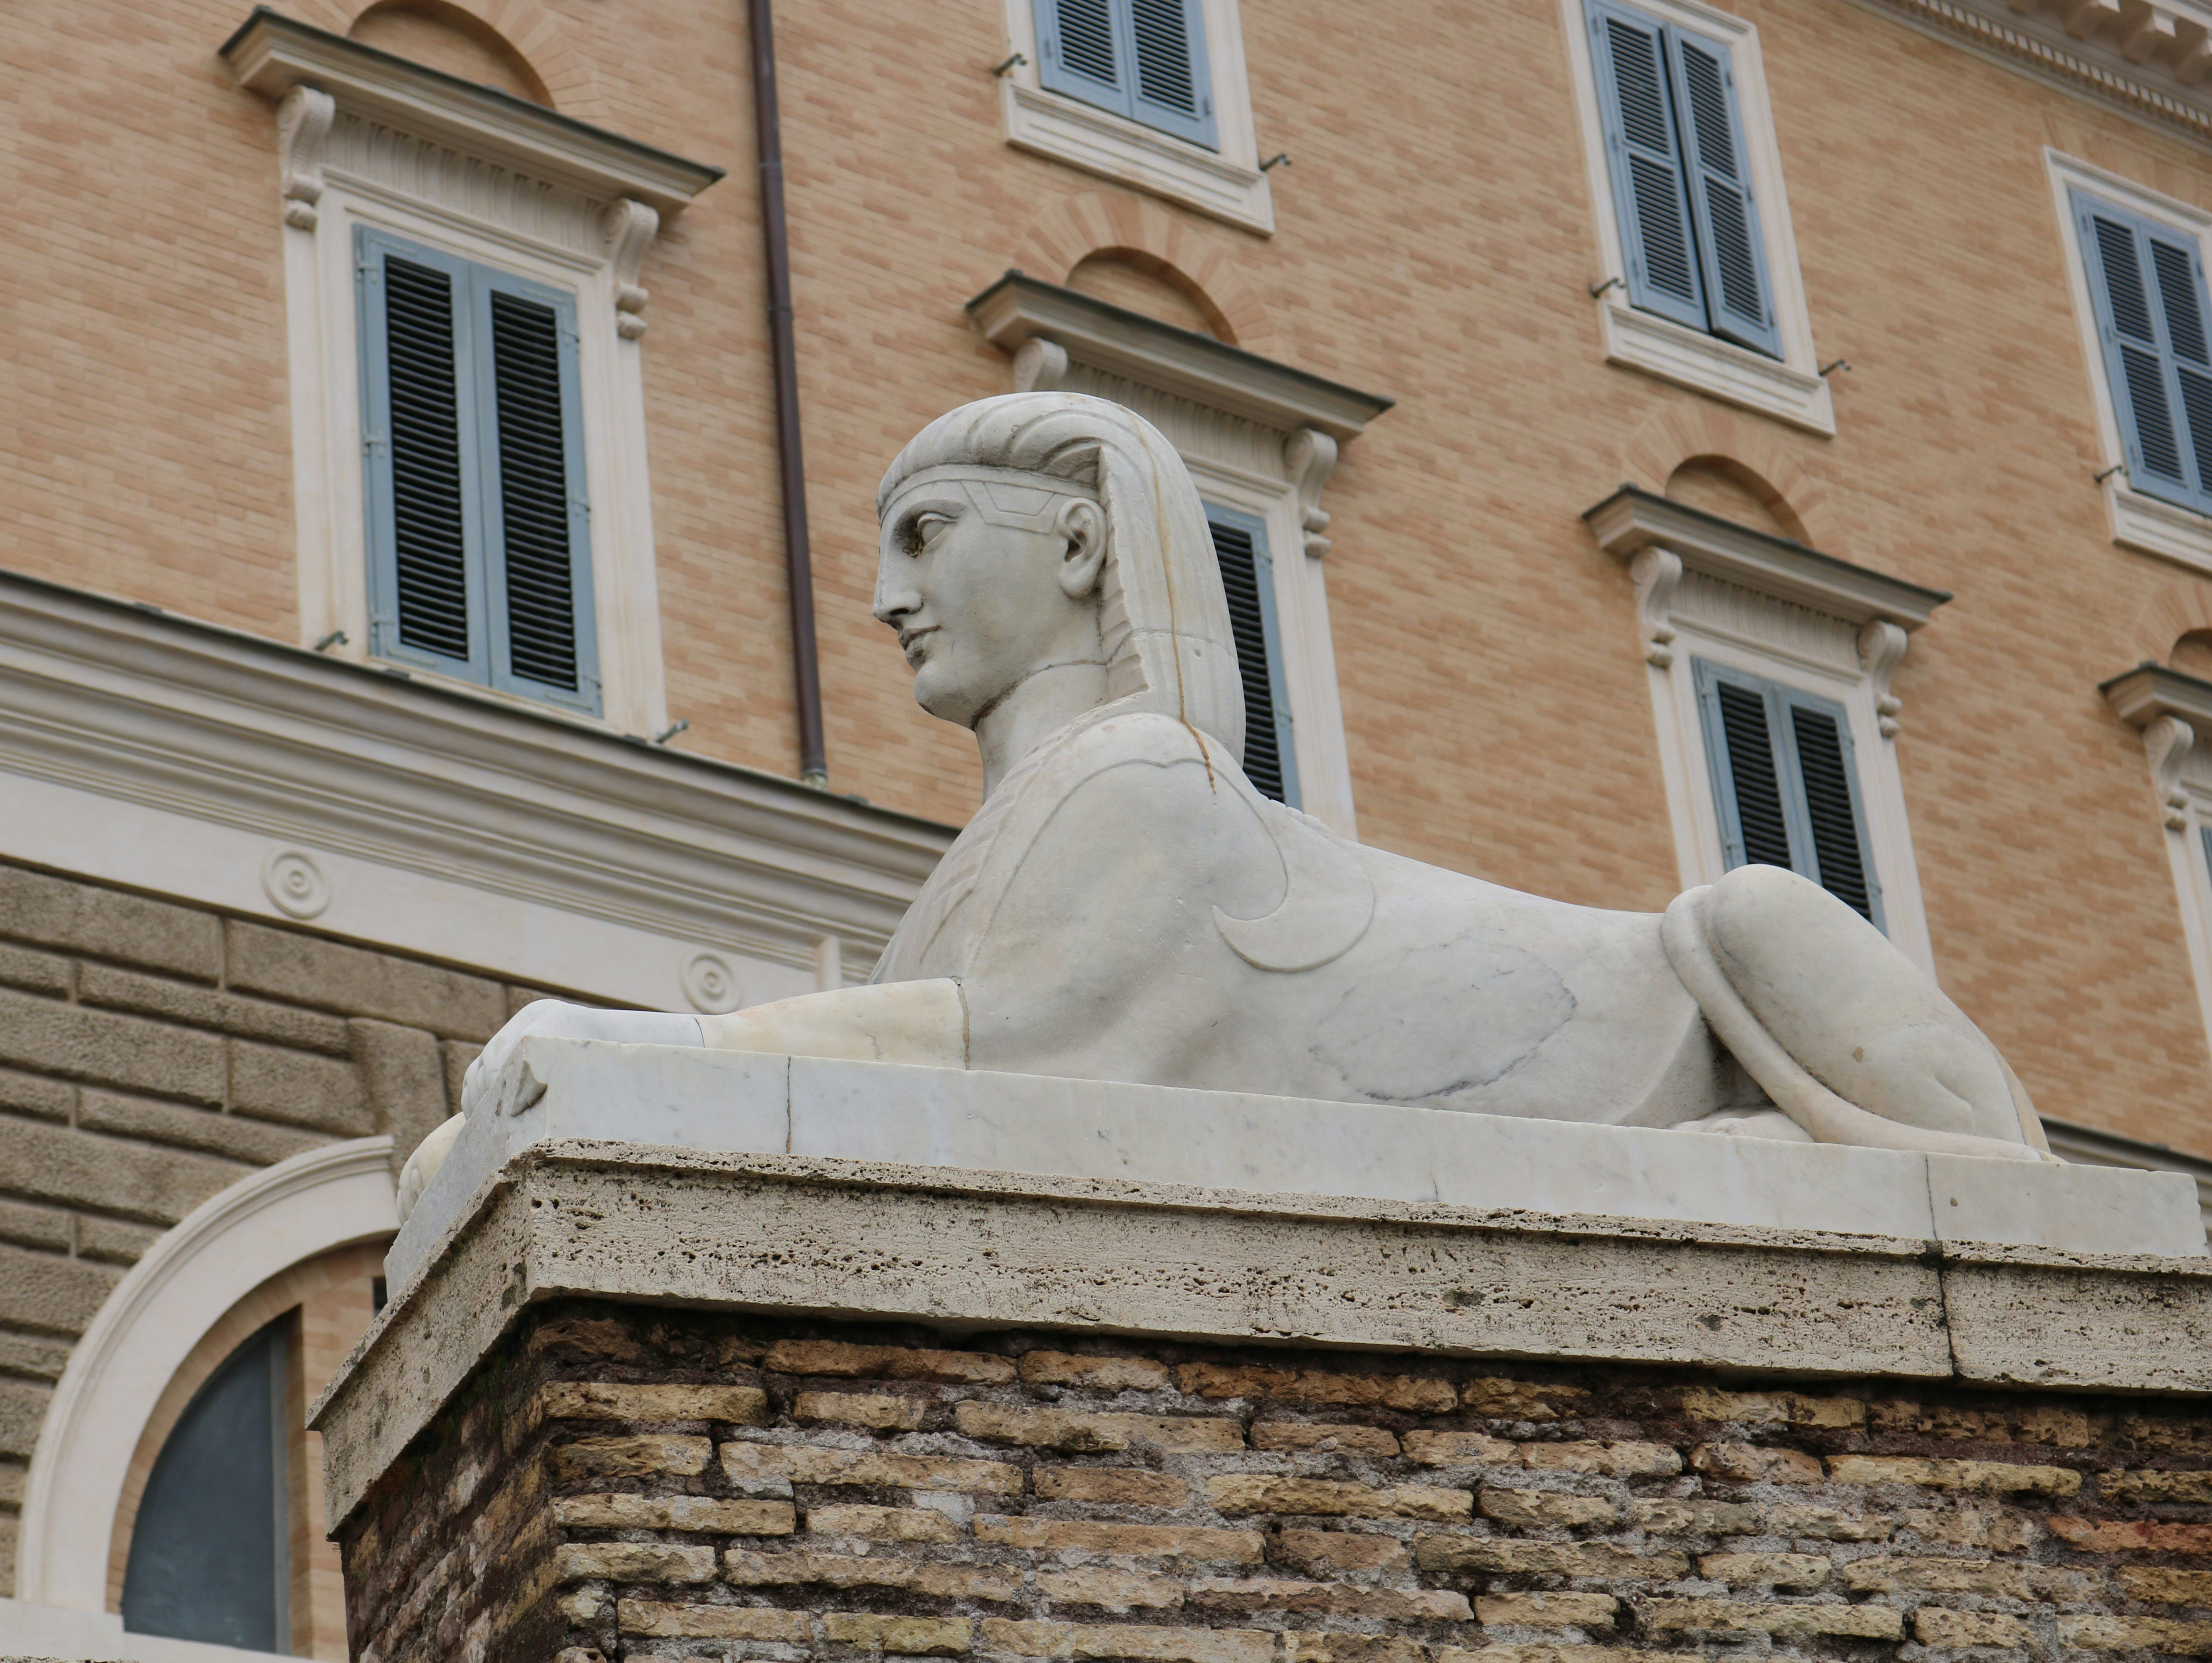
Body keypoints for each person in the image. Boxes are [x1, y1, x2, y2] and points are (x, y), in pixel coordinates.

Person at [398, 394, 2047, 1221]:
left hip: (1665, 1023)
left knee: (1747, 907)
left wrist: (648, 1047)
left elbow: (1011, 1054)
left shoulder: (1145, 784)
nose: (886, 596)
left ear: (1076, 546)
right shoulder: (1019, 832)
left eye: (927, 537)